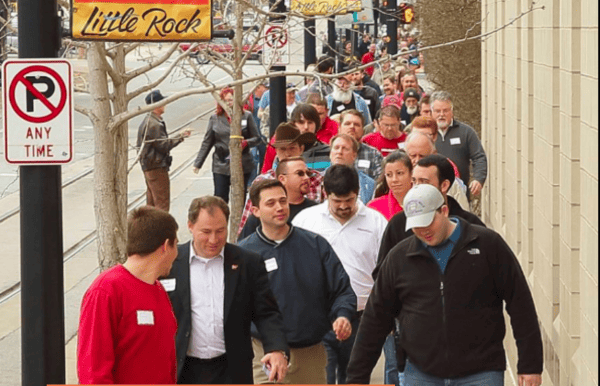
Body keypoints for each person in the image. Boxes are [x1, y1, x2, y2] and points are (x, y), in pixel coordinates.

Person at [346, 184, 543, 386]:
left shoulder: (487, 246)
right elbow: (375, 319)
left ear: (444, 210)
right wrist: (357, 378)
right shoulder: (399, 258)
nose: (423, 231)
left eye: (428, 222)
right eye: (416, 225)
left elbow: (521, 304)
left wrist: (530, 364)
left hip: (481, 372)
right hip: (421, 373)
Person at [239, 179, 357, 384]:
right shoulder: (243, 254)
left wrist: (343, 315)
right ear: (256, 211)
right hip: (263, 354)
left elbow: (342, 290)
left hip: (309, 352)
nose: (279, 208)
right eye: (271, 203)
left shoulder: (315, 245)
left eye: (283, 201)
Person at [165, 196, 289, 384]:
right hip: (183, 369)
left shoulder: (248, 262)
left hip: (231, 369)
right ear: (190, 226)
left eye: (220, 231)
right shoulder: (169, 263)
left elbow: (267, 313)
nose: (214, 239)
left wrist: (277, 349)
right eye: (206, 232)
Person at [292, 165, 387, 385]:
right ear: (326, 193)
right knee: (325, 376)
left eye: (349, 200)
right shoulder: (305, 221)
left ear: (357, 193)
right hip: (319, 318)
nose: (344, 206)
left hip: (362, 317)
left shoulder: (376, 222)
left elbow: (386, 269)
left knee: (354, 377)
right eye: (337, 201)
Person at [77, 206, 180, 384]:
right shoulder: (105, 291)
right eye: (176, 244)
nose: (177, 253)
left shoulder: (159, 291)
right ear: (165, 246)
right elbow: (93, 373)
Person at [373, 154, 486, 279]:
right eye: (414, 181)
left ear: (444, 185)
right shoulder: (399, 224)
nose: (416, 187)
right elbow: (382, 275)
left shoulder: (471, 226)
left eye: (424, 182)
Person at [237, 123, 324, 237]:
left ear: (301, 148)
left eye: (292, 148)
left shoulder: (317, 179)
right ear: (276, 151)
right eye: (282, 149)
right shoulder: (262, 182)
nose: (287, 153)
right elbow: (246, 226)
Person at [192, 87, 260, 203]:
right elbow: (207, 142)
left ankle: (238, 220)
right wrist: (198, 163)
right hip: (221, 163)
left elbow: (257, 138)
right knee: (220, 198)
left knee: (240, 198)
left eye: (231, 100)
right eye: (225, 101)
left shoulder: (246, 116)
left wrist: (246, 142)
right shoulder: (215, 118)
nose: (228, 103)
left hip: (242, 162)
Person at [238, 157, 317, 241]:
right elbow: (242, 248)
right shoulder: (263, 214)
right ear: (282, 179)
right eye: (300, 174)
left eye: (308, 173)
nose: (306, 178)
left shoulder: (316, 211)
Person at [136, 90, 191, 212]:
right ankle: (161, 229)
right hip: (156, 167)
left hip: (149, 167)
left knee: (151, 203)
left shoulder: (149, 121)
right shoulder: (154, 124)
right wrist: (180, 136)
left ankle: (150, 229)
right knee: (162, 203)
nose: (165, 104)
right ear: (157, 105)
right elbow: (163, 145)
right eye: (163, 102)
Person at [430, 91, 488, 199]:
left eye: (445, 110)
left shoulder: (466, 132)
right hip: (431, 194)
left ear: (452, 111)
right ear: (431, 112)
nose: (441, 114)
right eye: (438, 111)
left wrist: (478, 179)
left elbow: (479, 157)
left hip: (460, 195)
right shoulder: (426, 134)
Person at [404, 131, 469, 209]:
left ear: (433, 154)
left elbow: (463, 215)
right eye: (413, 156)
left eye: (422, 156)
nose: (417, 160)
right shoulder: (398, 180)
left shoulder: (451, 184)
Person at [329, 134, 375, 204]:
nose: (339, 152)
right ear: (330, 153)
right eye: (336, 148)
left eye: (345, 149)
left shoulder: (369, 184)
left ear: (354, 155)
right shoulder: (319, 179)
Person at [338, 109, 383, 179]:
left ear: (362, 130)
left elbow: (380, 183)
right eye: (347, 123)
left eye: (356, 124)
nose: (352, 127)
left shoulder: (374, 154)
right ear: (339, 128)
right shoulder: (330, 153)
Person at [368, 151, 413, 220]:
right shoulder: (374, 207)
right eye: (389, 175)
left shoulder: (424, 203)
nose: (394, 179)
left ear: (412, 174)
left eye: (399, 173)